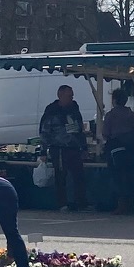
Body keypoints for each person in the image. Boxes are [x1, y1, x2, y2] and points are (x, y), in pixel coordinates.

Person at [38, 84, 89, 212]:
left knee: (79, 176)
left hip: (74, 148)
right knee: (61, 176)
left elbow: (80, 130)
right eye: (68, 96)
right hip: (59, 148)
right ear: (60, 96)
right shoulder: (51, 111)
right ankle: (62, 203)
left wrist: (84, 148)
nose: (71, 98)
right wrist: (43, 151)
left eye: (72, 95)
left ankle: (81, 202)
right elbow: (44, 132)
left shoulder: (74, 110)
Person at [101, 88, 134, 214]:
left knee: (118, 179)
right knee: (130, 177)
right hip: (131, 150)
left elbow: (105, 134)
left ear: (114, 100)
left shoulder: (110, 115)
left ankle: (122, 205)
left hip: (116, 151)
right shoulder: (132, 115)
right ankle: (133, 204)